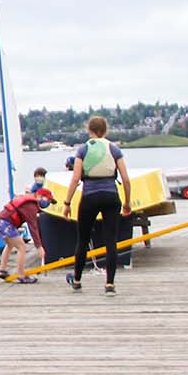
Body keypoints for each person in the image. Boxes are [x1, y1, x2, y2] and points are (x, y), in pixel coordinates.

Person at [65, 116, 131, 295]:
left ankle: (77, 280)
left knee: (83, 240)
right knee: (111, 241)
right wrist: (127, 202)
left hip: (89, 197)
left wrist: (67, 202)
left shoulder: (83, 150)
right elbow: (125, 178)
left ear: (89, 130)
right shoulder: (114, 149)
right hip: (111, 196)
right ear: (106, 130)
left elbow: (76, 178)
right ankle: (109, 284)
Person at [0, 187, 53, 281]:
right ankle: (21, 275)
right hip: (5, 223)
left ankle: (3, 270)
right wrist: (39, 247)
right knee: (22, 247)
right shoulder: (31, 205)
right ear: (39, 196)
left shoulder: (29, 201)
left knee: (10, 245)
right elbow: (33, 227)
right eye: (47, 199)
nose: (48, 203)